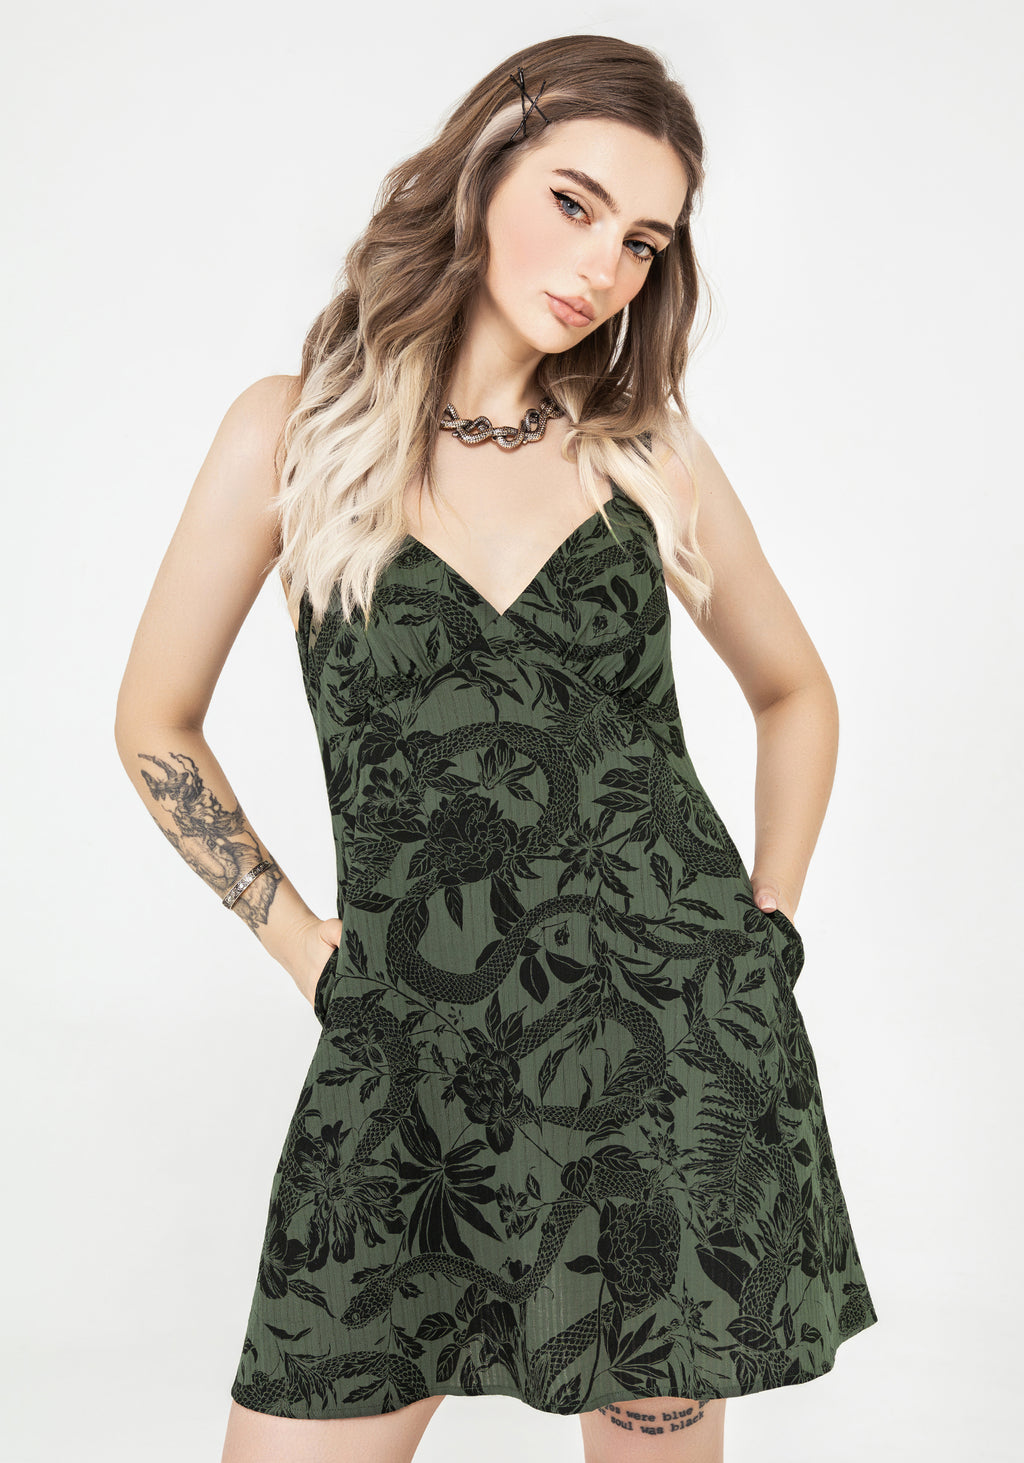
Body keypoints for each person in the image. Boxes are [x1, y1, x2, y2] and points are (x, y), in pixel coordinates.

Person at [114, 32, 879, 1463]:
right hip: (407, 1063)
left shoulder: (645, 454)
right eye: (574, 203)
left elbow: (796, 693)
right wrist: (301, 945)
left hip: (661, 1056)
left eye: (642, 242)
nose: (601, 267)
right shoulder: (292, 436)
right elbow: (153, 719)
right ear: (482, 171)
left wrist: (762, 931)